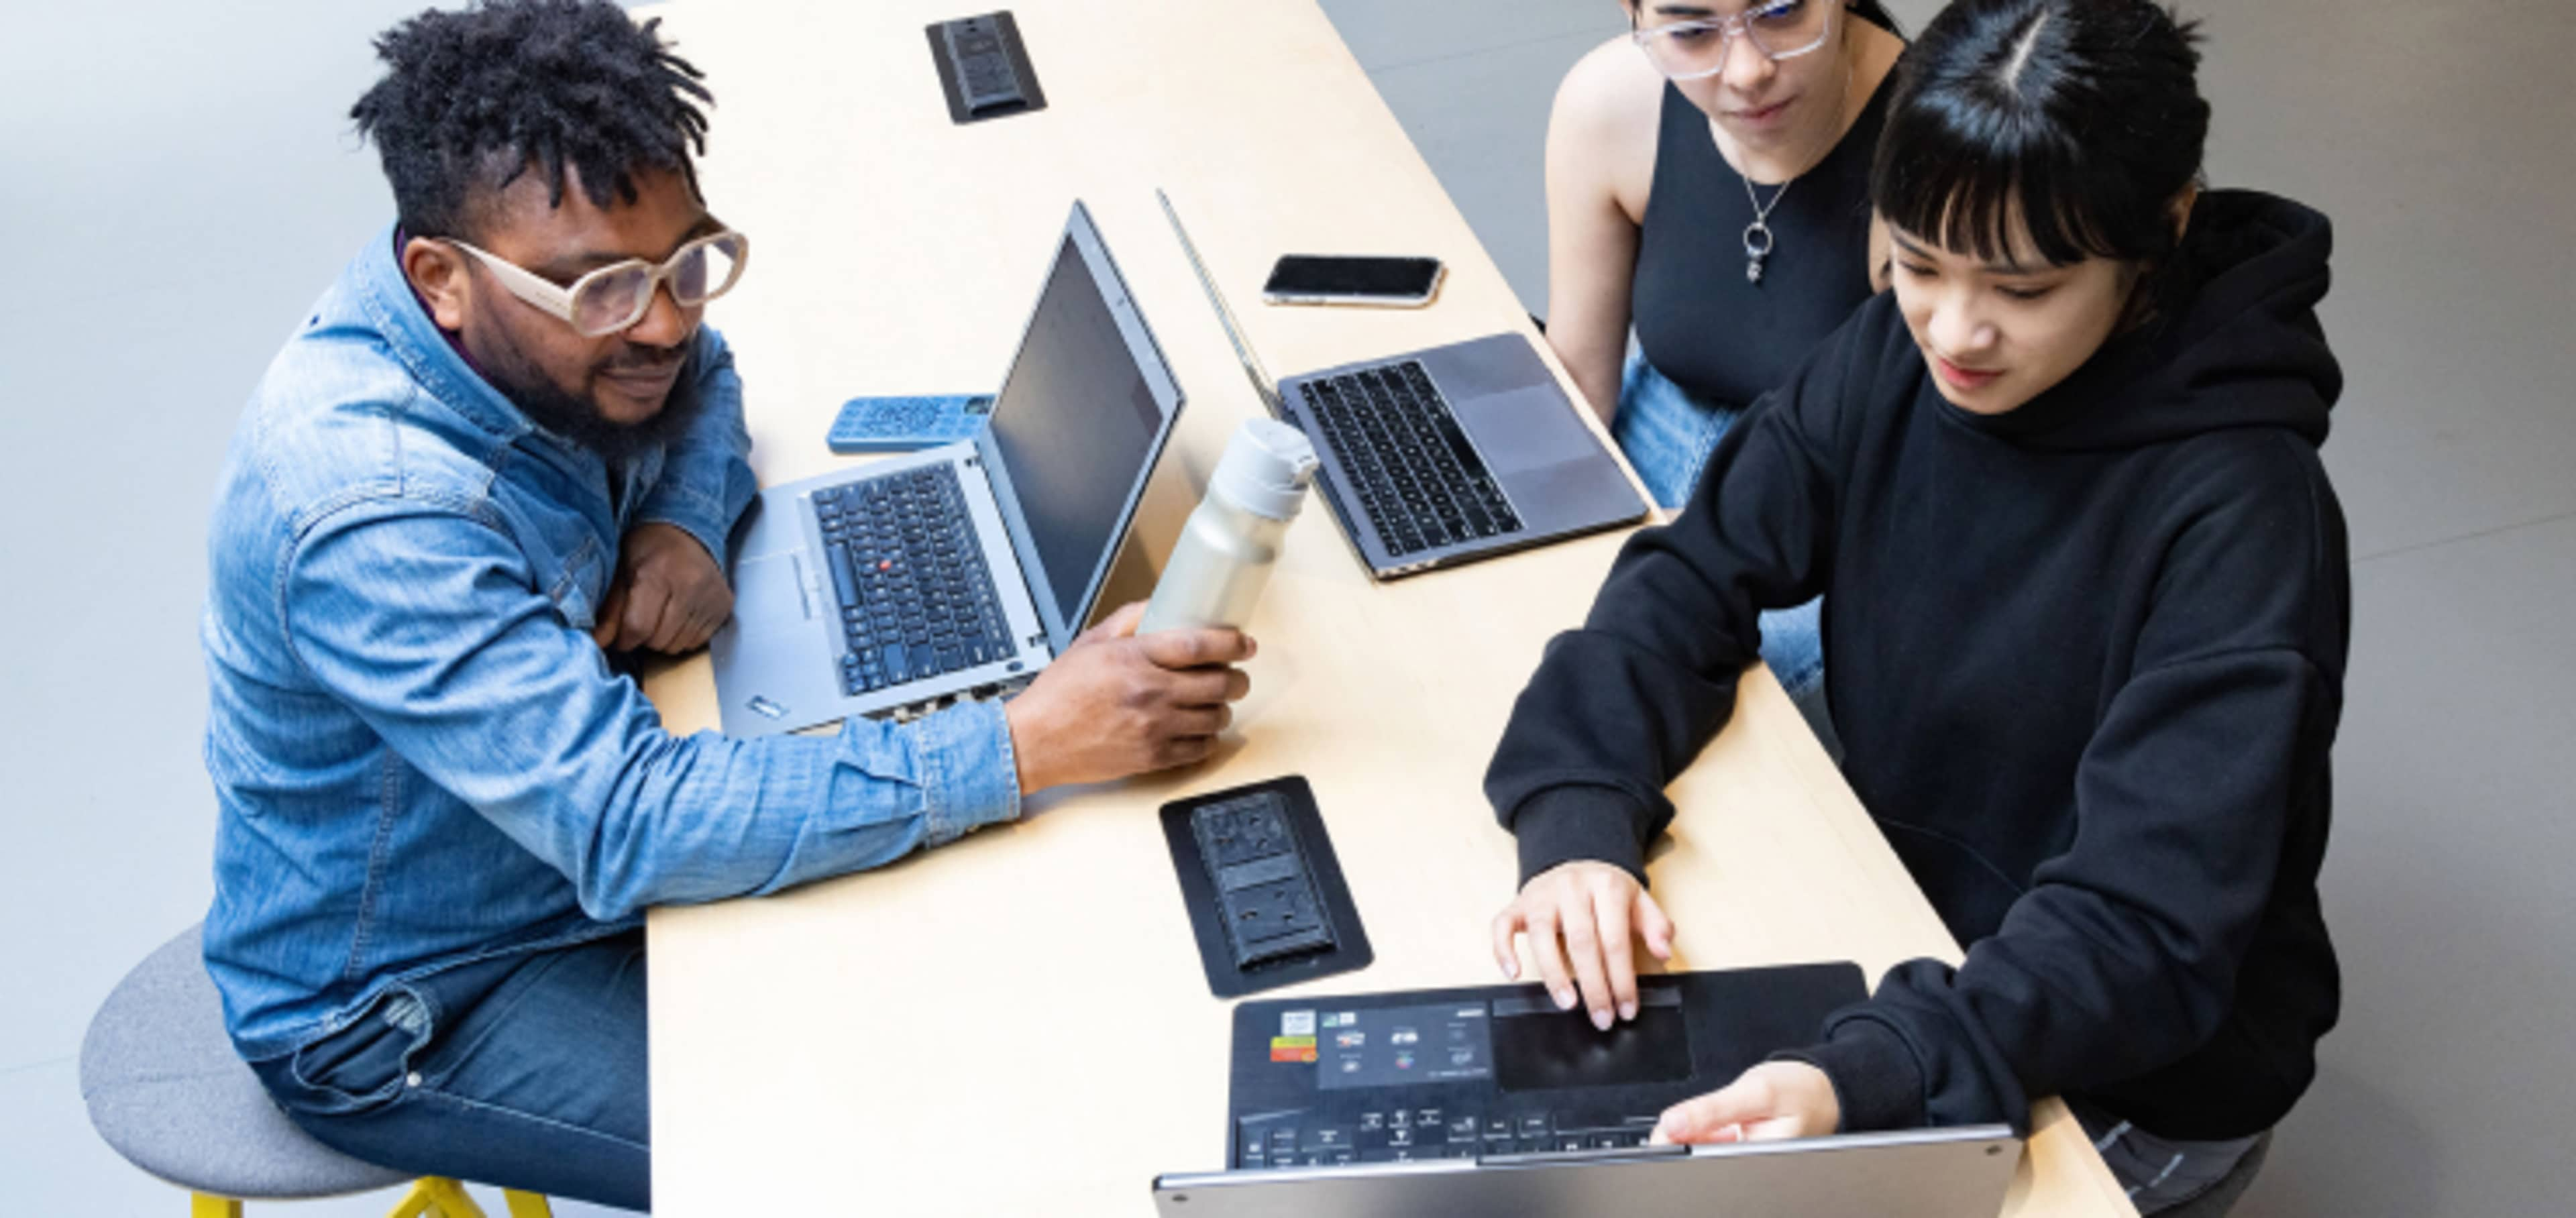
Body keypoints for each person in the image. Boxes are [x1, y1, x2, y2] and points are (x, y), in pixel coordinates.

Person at [197, 2, 1250, 1209]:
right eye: (601, 293)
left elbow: (705, 373)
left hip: (561, 854)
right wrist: (1020, 740)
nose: (660, 320)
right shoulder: (371, 512)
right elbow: (631, 824)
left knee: (1019, 975)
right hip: (421, 997)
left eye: (689, 263)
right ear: (440, 277)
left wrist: (686, 522)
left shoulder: (576, 314)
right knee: (902, 1163)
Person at [1485, 1, 2345, 1212]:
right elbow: (1696, 570)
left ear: (2163, 228)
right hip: (1918, 936)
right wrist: (1577, 809)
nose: (1954, 329)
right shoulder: (1896, 345)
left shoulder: (2244, 516)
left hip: (2134, 1070)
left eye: (2024, 287)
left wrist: (1880, 1070)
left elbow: (2143, 929)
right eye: (1919, 261)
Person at [1542, 0, 1906, 732]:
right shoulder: (1612, 103)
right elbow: (1579, 386)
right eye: (1690, 31)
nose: (1747, 70)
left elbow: (1931, 484)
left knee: (1669, 724)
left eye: (1781, 12)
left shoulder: (1925, 140)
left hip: (1836, 516)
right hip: (1657, 437)